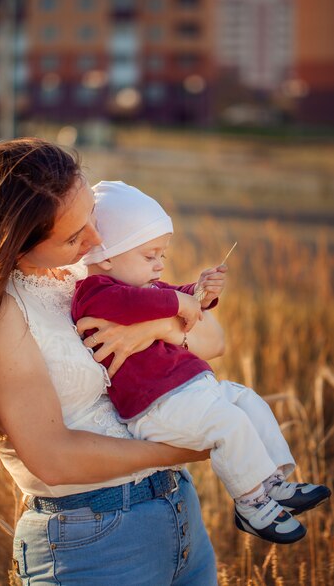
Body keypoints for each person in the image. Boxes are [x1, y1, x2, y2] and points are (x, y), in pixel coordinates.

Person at [0, 139, 227, 585]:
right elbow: (53, 457)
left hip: (180, 514)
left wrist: (150, 328)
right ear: (16, 245)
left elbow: (213, 340)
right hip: (95, 541)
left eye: (91, 218)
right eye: (73, 235)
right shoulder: (4, 313)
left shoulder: (84, 274)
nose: (97, 239)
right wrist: (184, 449)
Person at [72, 180, 331, 545]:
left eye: (163, 254)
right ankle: (251, 504)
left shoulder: (145, 288)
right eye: (150, 256)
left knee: (247, 402)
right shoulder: (95, 294)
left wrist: (200, 293)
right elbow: (139, 306)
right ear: (107, 255)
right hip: (156, 408)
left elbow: (177, 298)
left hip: (188, 394)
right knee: (229, 423)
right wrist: (179, 306)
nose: (160, 264)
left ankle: (271, 481)